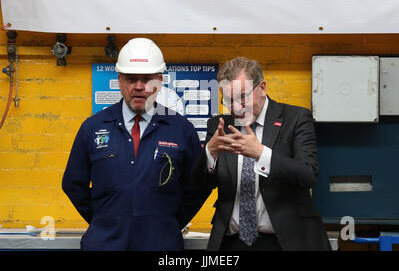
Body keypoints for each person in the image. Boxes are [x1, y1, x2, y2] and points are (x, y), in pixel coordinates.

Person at [62, 38, 209, 250]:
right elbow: (73, 184)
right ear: (120, 80)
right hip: (105, 244)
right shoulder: (93, 127)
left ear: (159, 80)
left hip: (161, 245)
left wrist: (167, 223)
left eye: (147, 79)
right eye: (132, 79)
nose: (139, 87)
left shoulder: (181, 129)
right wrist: (104, 220)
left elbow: (197, 187)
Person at [192, 57, 331, 251]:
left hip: (284, 242)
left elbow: (308, 175)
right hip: (232, 242)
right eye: (229, 100)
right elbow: (200, 184)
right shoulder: (219, 126)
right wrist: (210, 153)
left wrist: (261, 154)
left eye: (242, 97)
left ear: (262, 88)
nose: (236, 107)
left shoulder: (296, 118)